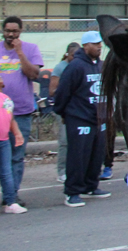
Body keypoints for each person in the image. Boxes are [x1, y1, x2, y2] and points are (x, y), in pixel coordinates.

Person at [53, 31, 111, 207]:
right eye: (95, 44)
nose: (99, 47)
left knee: (96, 155)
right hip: (80, 118)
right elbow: (63, 92)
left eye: (100, 43)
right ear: (85, 46)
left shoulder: (100, 65)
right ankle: (72, 191)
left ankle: (90, 186)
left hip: (98, 118)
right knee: (78, 156)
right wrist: (63, 113)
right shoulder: (76, 66)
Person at [0, 16, 43, 204]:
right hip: (1, 114)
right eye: (7, 31)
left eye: (15, 31)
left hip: (21, 112)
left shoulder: (30, 49)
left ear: (20, 31)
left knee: (16, 157)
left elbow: (33, 74)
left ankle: (11, 194)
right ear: (3, 31)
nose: (11, 34)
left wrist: (19, 52)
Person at [50, 42, 79, 182]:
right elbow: (52, 91)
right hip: (64, 108)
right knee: (64, 141)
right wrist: (66, 89)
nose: (75, 58)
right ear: (67, 54)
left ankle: (77, 169)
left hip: (78, 109)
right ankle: (62, 170)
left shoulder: (80, 66)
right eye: (73, 55)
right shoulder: (60, 67)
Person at [0, 75, 26, 213]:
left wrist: (17, 133)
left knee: (6, 172)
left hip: (3, 140)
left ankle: (10, 202)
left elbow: (11, 119)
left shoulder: (6, 99)